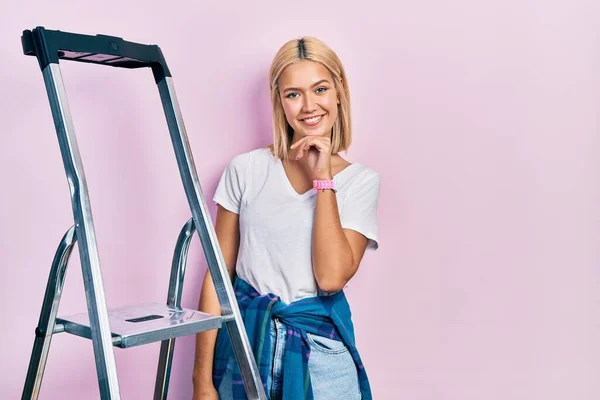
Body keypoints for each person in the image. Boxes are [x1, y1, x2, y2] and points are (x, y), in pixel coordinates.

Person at [191, 36, 380, 400]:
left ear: (339, 91)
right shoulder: (245, 170)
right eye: (293, 94)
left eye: (320, 89)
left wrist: (323, 176)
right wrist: (201, 379)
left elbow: (330, 277)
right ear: (279, 101)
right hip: (246, 347)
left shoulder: (361, 182)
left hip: (321, 356)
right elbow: (218, 277)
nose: (309, 106)